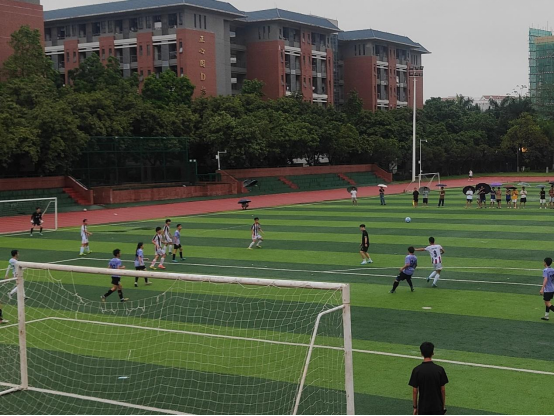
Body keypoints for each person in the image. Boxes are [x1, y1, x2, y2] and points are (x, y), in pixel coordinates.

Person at [409, 342, 449, 416]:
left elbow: (415, 391)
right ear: (432, 353)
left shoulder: (417, 370)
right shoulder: (440, 370)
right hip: (437, 407)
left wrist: (415, 407)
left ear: (421, 353)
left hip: (423, 408)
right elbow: (442, 390)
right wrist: (443, 406)